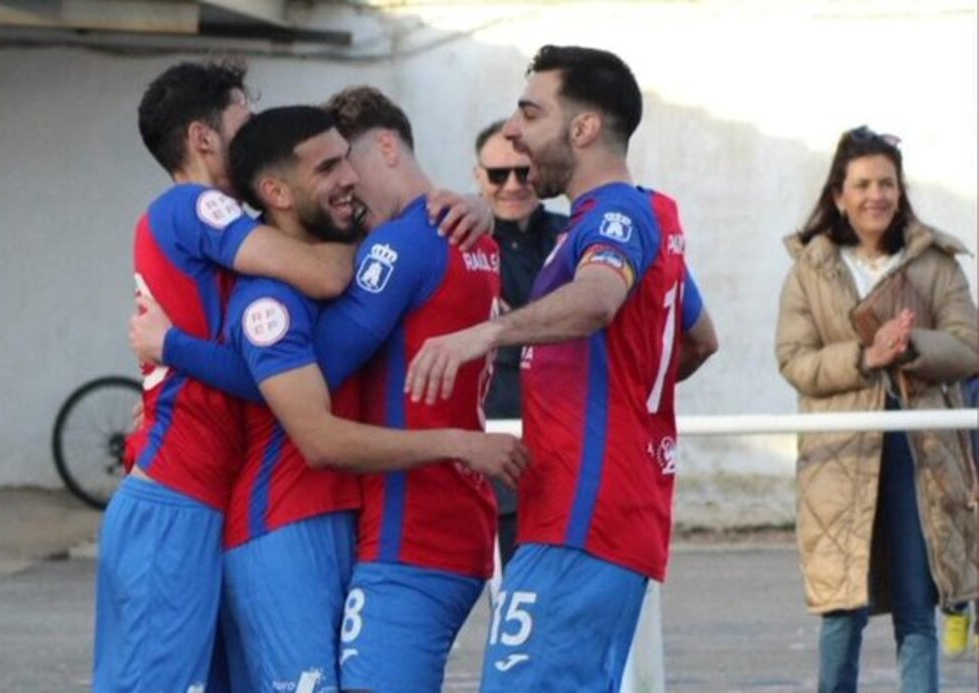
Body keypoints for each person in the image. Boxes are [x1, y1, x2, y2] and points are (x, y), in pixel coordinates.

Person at [129, 104, 529, 693]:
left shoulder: (357, 259)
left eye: (348, 158)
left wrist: (468, 210)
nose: (348, 180)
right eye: (328, 168)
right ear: (278, 193)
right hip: (285, 520)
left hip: (344, 517)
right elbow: (313, 431)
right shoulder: (274, 299)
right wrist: (174, 347)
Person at [403, 45, 719, 690]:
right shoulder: (645, 214)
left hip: (583, 516)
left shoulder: (612, 215)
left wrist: (483, 335)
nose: (515, 131)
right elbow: (697, 339)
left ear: (583, 129)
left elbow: (600, 298)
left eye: (529, 112)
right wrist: (625, 394)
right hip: (596, 513)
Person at [93, 59, 358, 693]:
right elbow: (326, 276)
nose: (257, 134)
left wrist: (175, 346)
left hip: (199, 496)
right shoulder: (195, 202)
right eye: (245, 120)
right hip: (173, 497)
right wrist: (364, 221)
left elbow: (252, 375)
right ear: (203, 138)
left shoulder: (201, 220)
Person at [774, 125, 979, 690]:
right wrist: (866, 355)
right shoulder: (811, 270)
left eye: (886, 183)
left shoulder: (934, 262)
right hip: (841, 455)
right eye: (862, 184)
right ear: (839, 194)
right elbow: (795, 361)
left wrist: (912, 348)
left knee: (918, 606)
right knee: (843, 610)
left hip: (921, 452)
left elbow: (969, 346)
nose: (876, 196)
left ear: (900, 189)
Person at [473, 118, 570, 568]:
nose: (512, 185)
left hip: (569, 439)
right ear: (478, 178)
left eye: (522, 172)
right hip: (499, 444)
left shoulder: (572, 233)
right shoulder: (461, 243)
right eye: (497, 174)